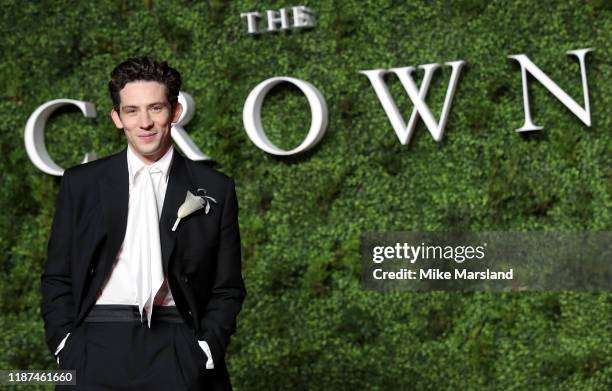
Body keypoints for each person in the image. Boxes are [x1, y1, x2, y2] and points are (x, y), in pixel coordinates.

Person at [40, 57, 246, 390]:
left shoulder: (216, 188)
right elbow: (57, 274)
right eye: (132, 111)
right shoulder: (81, 183)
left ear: (175, 112)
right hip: (94, 343)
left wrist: (205, 349)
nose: (144, 122)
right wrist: (66, 344)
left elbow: (227, 286)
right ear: (117, 118)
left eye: (155, 108)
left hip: (177, 342)